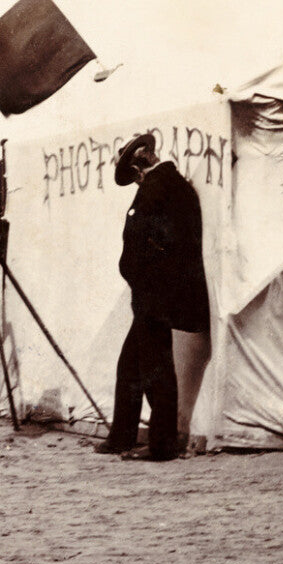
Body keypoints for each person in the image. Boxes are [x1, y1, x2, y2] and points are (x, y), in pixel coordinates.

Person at [95, 133, 210, 461]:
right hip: (158, 293)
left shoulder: (157, 189)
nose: (135, 180)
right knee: (130, 366)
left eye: (134, 172)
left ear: (142, 160)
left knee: (156, 369)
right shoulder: (176, 186)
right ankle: (122, 435)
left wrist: (139, 277)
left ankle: (161, 444)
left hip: (154, 295)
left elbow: (149, 243)